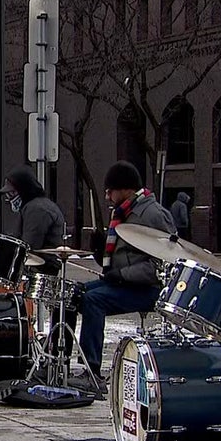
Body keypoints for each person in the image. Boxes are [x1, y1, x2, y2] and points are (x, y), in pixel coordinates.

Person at [77, 161, 176, 377]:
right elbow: (123, 257)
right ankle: (60, 359)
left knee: (93, 300)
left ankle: (91, 369)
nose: (107, 197)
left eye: (110, 191)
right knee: (74, 292)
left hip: (148, 289)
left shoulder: (152, 215)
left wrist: (121, 275)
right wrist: (100, 250)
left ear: (126, 189)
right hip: (125, 282)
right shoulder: (125, 212)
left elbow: (162, 266)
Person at [0, 165, 65, 275]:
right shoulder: (33, 206)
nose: (8, 198)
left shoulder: (37, 210)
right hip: (37, 266)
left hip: (40, 270)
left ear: (23, 190)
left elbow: (29, 246)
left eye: (12, 193)